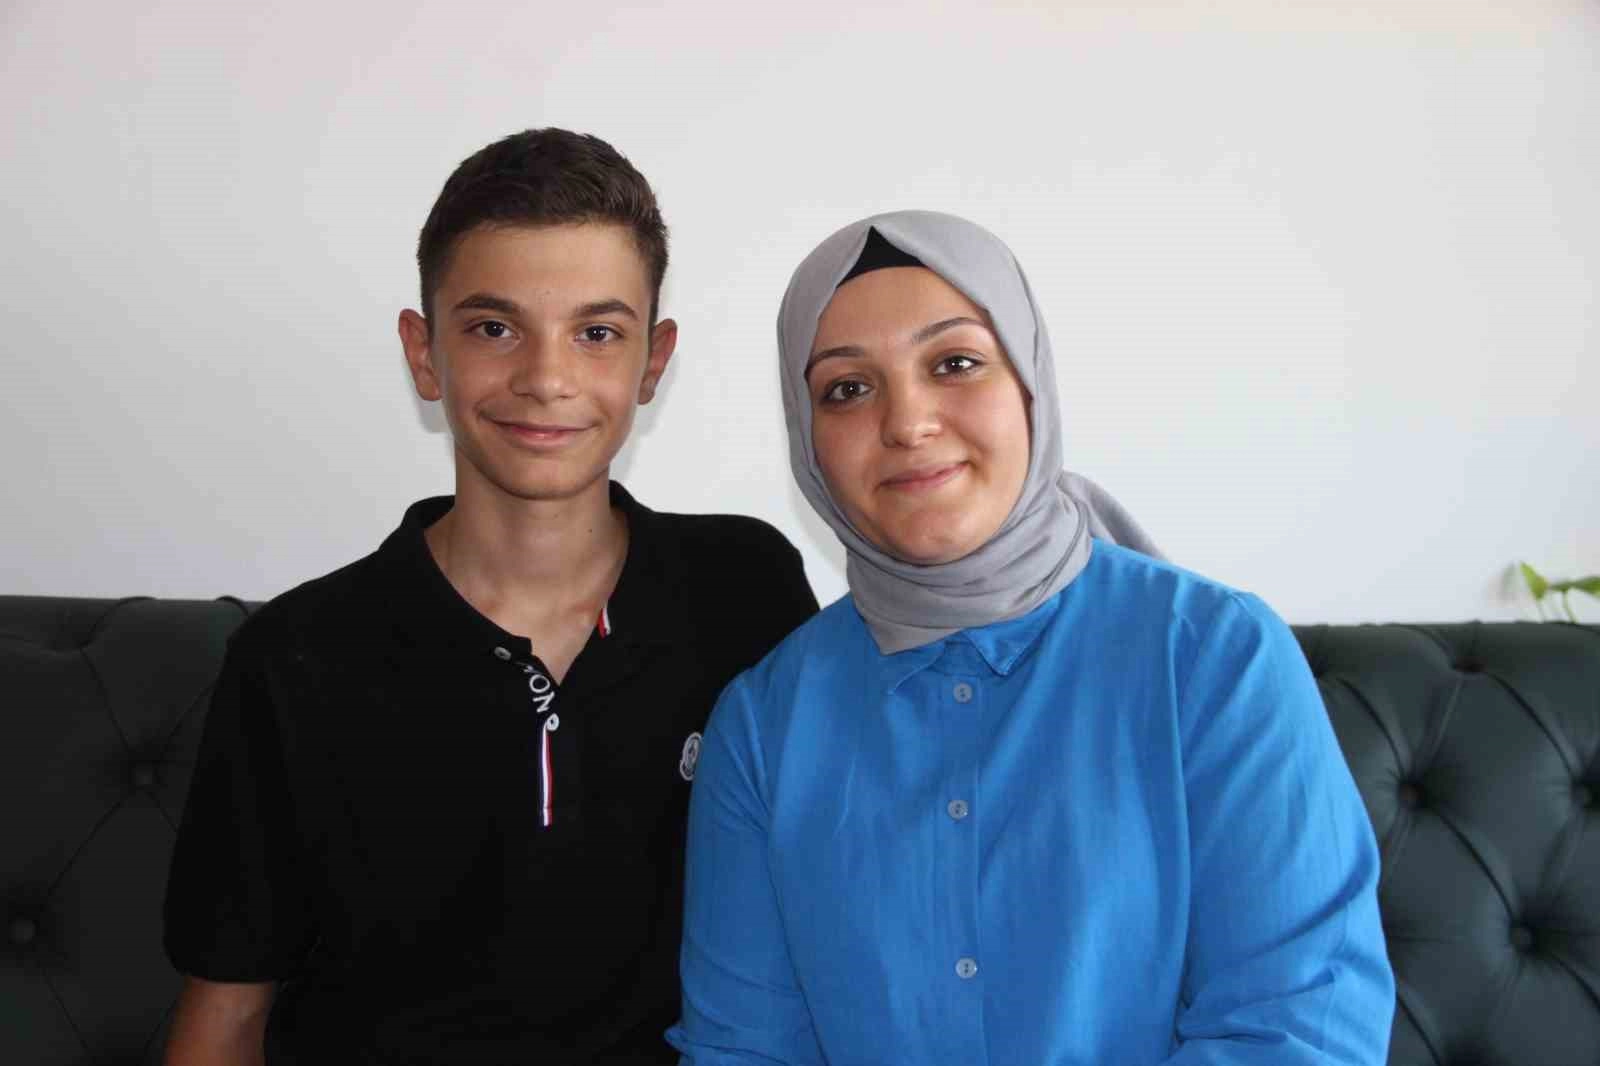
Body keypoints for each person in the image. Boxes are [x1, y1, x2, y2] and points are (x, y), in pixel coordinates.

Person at [668, 211, 1394, 1064]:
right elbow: (744, 1051)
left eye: (955, 363)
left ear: (1030, 385)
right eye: (848, 389)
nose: (908, 423)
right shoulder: (765, 726)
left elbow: (1297, 1027)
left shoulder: (1213, 658)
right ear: (809, 440)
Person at [161, 128, 817, 1065]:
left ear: (653, 360)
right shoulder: (296, 655)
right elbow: (227, 1012)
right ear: (424, 354)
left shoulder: (745, 589)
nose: (546, 379)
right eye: (493, 328)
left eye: (597, 333)